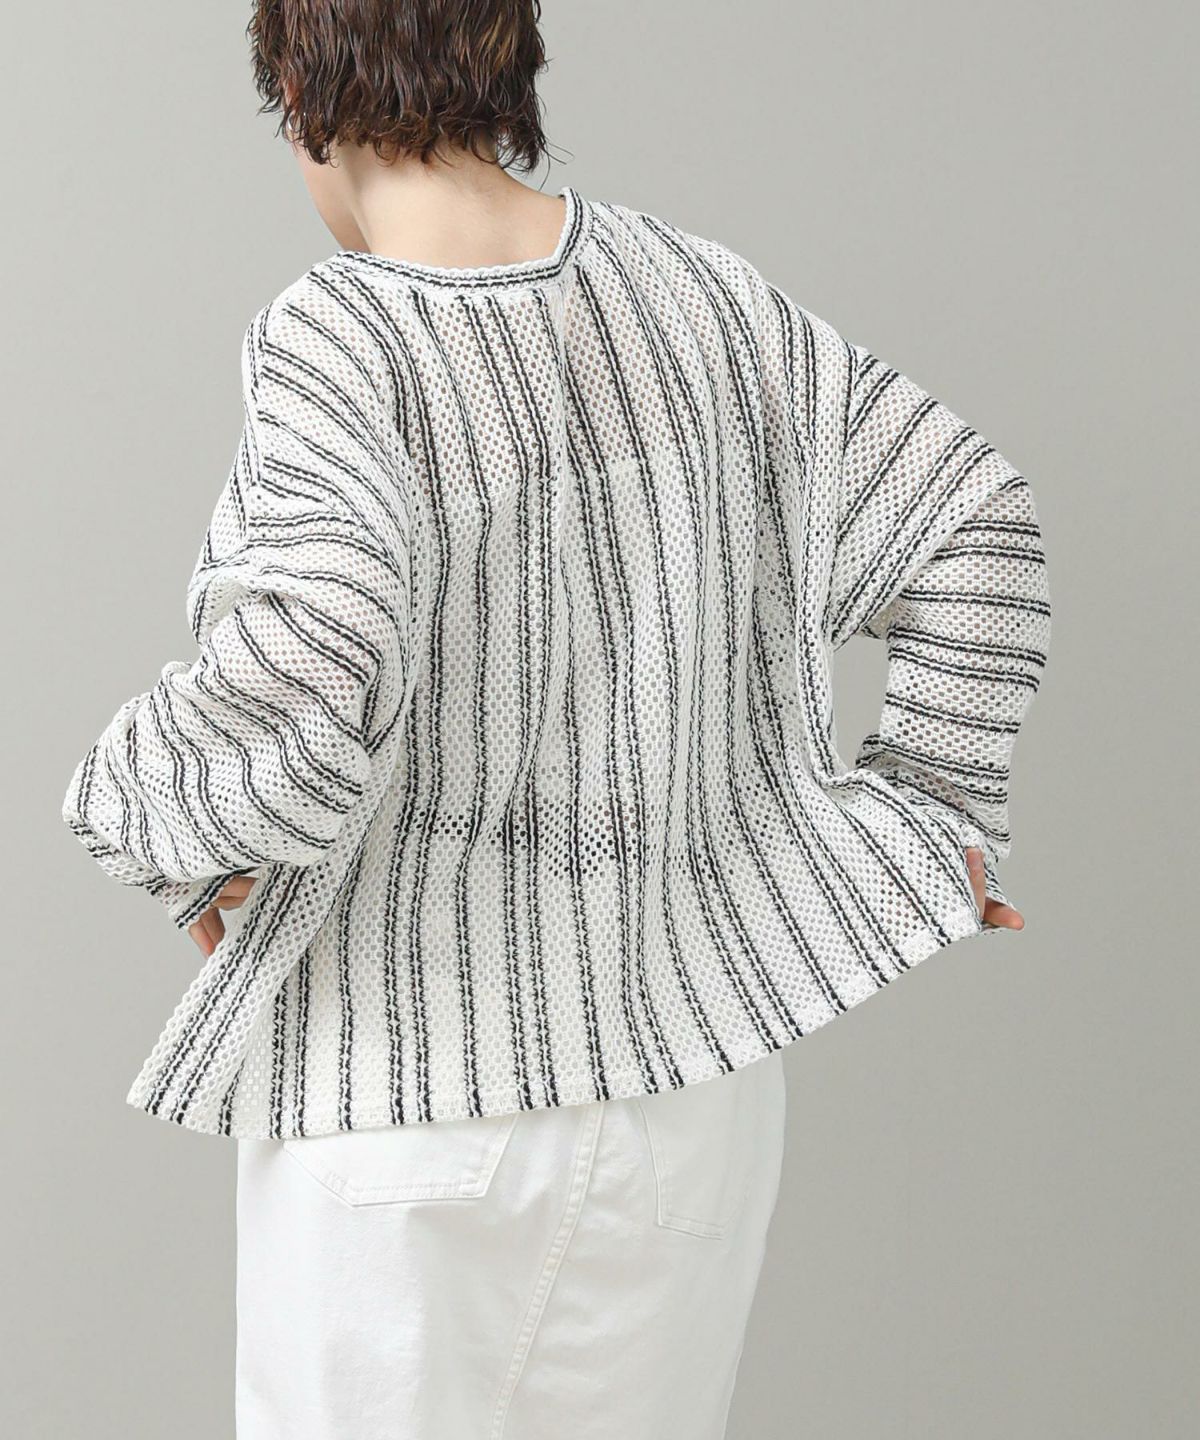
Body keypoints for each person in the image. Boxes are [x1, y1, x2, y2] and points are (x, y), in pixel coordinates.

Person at [59, 2, 1052, 1435]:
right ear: (509, 61)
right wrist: (935, 806)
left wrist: (150, 820)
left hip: (410, 1092)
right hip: (691, 1097)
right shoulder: (706, 300)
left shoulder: (343, 330)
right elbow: (975, 520)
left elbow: (318, 644)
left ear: (299, 89)